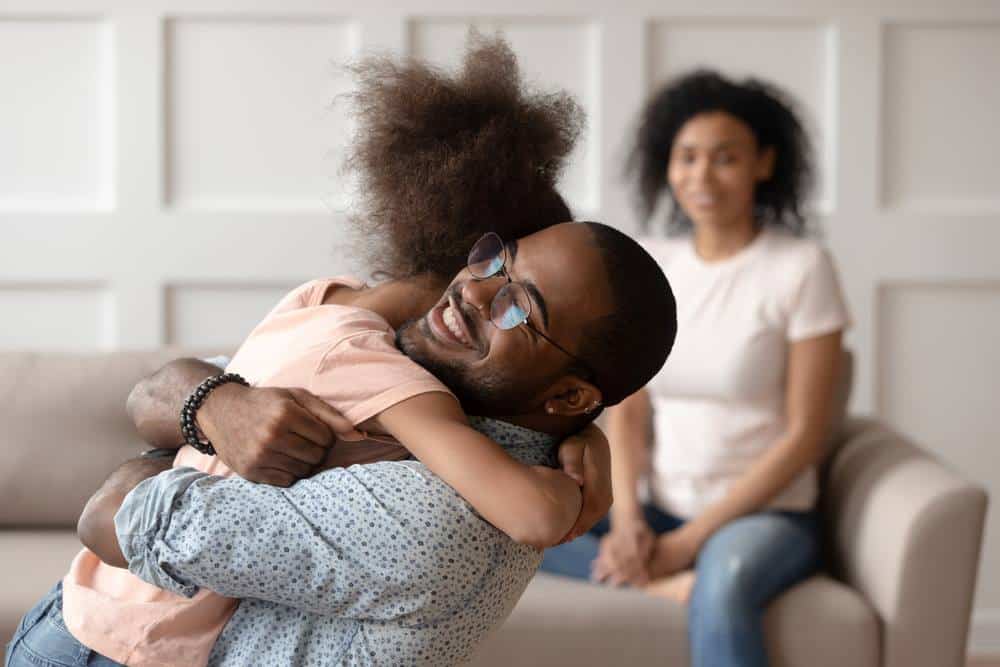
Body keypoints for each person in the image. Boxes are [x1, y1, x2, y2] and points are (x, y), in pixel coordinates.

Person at [5, 36, 678, 667]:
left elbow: (120, 514)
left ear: (566, 396)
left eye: (518, 306)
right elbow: (159, 393)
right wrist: (216, 403)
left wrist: (208, 428)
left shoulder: (427, 499)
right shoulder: (366, 333)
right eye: (491, 257)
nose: (472, 291)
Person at [539, 70, 850, 667]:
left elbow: (806, 435)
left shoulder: (803, 267)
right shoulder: (659, 263)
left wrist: (689, 542)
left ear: (764, 164)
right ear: (667, 165)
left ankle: (681, 577)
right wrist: (628, 520)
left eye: (725, 158)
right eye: (687, 158)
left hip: (765, 517)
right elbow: (628, 411)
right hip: (659, 506)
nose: (702, 176)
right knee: (522, 523)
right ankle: (656, 584)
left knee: (725, 580)